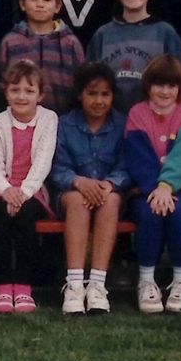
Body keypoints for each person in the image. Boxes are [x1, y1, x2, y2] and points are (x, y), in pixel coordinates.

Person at [50, 63, 130, 315]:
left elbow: (127, 165)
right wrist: (80, 182)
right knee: (77, 201)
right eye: (92, 93)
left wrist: (109, 184)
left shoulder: (123, 124)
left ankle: (97, 285)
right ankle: (74, 284)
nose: (98, 101)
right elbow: (57, 168)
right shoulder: (64, 124)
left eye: (105, 94)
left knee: (111, 200)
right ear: (79, 95)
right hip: (72, 192)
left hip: (109, 192)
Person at [124, 55, 181, 314]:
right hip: (145, 188)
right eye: (159, 85)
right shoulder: (137, 113)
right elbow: (138, 157)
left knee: (178, 213)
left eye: (172, 85)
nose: (165, 91)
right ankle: (146, 280)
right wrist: (155, 189)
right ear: (148, 85)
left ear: (180, 87)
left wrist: (167, 186)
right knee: (149, 213)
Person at [0, 60, 58, 314]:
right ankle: (3, 286)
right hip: (1, 188)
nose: (21, 96)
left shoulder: (48, 119)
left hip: (33, 189)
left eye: (29, 90)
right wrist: (7, 191)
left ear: (40, 95)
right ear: (6, 93)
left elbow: (43, 162)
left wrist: (23, 193)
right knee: (2, 215)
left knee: (26, 215)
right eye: (15, 90)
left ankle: (24, 286)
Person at [87, 0, 181, 112]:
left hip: (154, 119)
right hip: (110, 119)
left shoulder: (165, 33)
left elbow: (180, 82)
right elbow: (89, 82)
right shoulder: (103, 35)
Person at [0, 0, 85, 116]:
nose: (40, 4)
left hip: (63, 120)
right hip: (20, 120)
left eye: (47, 0)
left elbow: (81, 85)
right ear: (22, 4)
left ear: (57, 6)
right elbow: (2, 83)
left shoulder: (71, 43)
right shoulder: (11, 42)